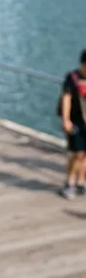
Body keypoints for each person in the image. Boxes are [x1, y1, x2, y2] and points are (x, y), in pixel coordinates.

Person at [59, 49, 86, 199]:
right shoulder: (72, 78)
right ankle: (69, 182)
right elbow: (66, 98)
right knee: (77, 153)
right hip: (75, 121)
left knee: (85, 154)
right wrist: (66, 119)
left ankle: (81, 182)